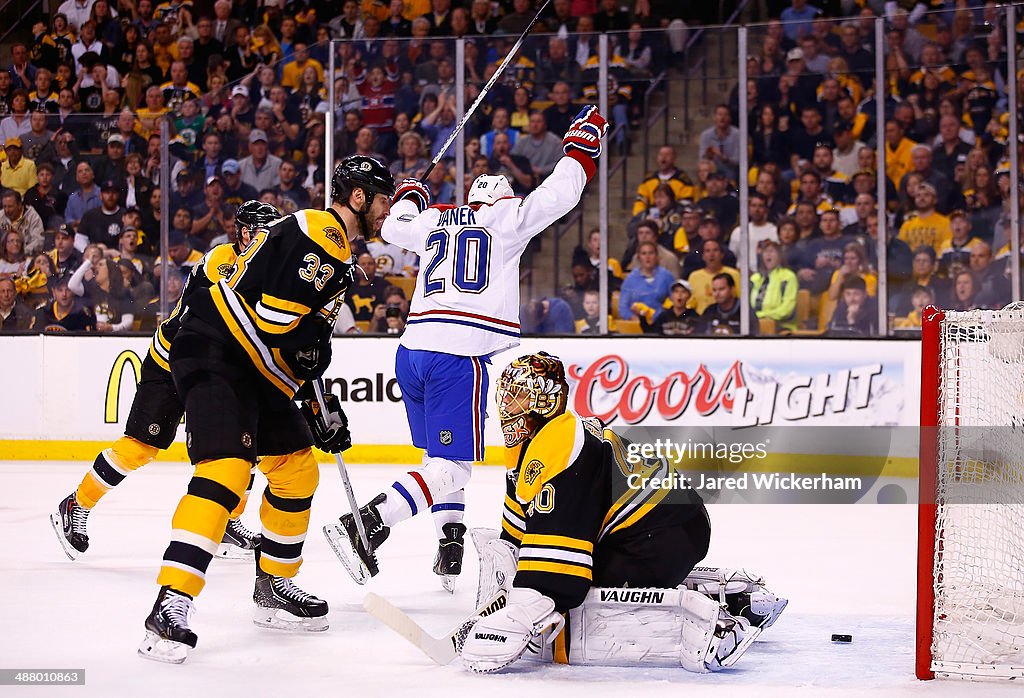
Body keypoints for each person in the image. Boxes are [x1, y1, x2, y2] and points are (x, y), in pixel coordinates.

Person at [324, 106, 610, 592]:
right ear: (502, 199)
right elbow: (560, 195)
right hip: (456, 356)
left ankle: (450, 540)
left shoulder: (434, 219)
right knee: (452, 466)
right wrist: (581, 149)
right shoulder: (508, 219)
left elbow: (392, 226)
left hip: (411, 352)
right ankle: (368, 522)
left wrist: (409, 198)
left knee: (438, 459)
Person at [136, 153, 395, 663]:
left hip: (255, 367)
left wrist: (319, 402)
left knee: (297, 470)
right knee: (227, 470)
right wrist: (313, 350)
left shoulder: (337, 252)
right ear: (359, 198)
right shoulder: (322, 232)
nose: (388, 210)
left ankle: (273, 587)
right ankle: (170, 603)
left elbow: (293, 342)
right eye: (383, 199)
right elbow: (278, 322)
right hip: (217, 350)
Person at [458, 352, 780, 673]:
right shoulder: (545, 439)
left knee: (582, 593)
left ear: (544, 401)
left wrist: (518, 615)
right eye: (506, 396)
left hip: (662, 536)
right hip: (673, 522)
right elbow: (519, 531)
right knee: (589, 571)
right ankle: (732, 594)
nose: (506, 407)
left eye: (518, 398)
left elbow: (557, 575)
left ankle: (713, 624)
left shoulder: (558, 448)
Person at [50, 202, 281, 567]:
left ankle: (227, 523)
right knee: (140, 448)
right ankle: (76, 504)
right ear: (242, 232)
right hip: (173, 360)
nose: (267, 239)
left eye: (272, 232)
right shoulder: (222, 260)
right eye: (260, 231)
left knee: (242, 448)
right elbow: (226, 314)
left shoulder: (267, 268)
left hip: (217, 369)